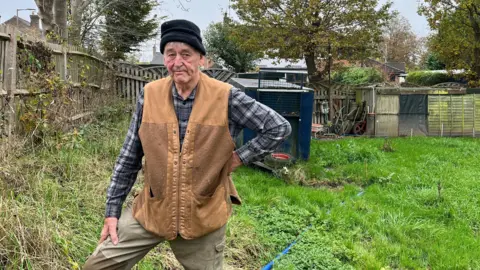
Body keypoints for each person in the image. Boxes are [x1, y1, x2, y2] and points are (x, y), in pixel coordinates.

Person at [83, 19, 291, 270]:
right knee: (97, 266)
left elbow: (278, 127)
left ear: (201, 59)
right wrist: (112, 212)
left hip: (203, 217)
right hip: (152, 210)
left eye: (186, 54)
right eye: (171, 54)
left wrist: (238, 158)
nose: (177, 62)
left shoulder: (226, 97)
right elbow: (129, 157)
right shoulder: (149, 95)